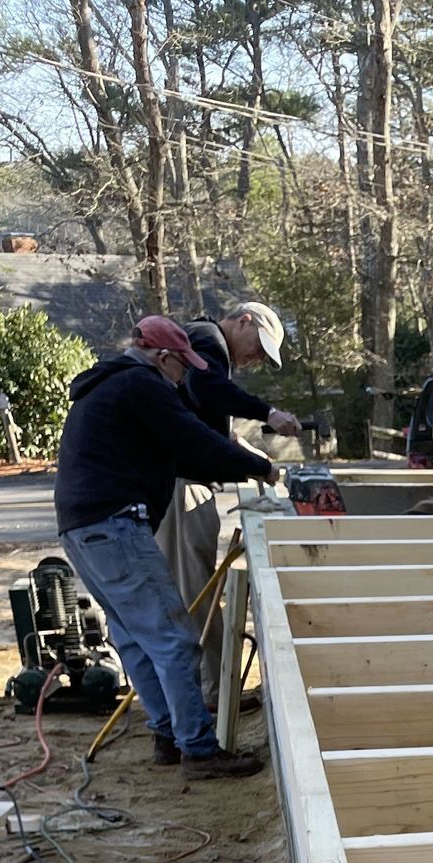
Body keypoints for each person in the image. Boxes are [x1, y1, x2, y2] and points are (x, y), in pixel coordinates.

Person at [56, 316, 277, 777]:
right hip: (114, 525)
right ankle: (198, 750)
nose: (186, 378)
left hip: (80, 529)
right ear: (163, 358)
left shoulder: (110, 386)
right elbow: (194, 438)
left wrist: (237, 462)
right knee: (176, 641)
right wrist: (258, 466)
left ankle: (167, 737)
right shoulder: (143, 385)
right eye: (183, 367)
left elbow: (186, 451)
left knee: (136, 639)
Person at [157, 301, 301, 707]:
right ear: (244, 321)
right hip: (182, 488)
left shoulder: (204, 345)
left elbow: (205, 421)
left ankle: (211, 691)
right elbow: (208, 390)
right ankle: (215, 695)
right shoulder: (207, 342)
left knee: (192, 590)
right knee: (195, 594)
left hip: (181, 483)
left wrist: (249, 457)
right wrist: (267, 413)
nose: (256, 359)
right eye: (259, 347)